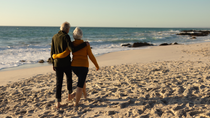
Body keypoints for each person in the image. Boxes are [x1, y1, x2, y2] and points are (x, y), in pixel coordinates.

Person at [53, 27, 99, 106]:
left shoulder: (71, 44)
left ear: (74, 35)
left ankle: (85, 95)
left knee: (82, 79)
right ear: (81, 35)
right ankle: (76, 103)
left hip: (74, 67)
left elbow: (65, 53)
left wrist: (55, 56)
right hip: (83, 67)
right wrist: (96, 65)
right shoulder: (86, 45)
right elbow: (91, 56)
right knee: (79, 86)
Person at [51, 22, 87, 108]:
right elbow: (72, 49)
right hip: (66, 63)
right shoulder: (66, 36)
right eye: (69, 29)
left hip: (57, 63)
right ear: (67, 29)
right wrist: (84, 44)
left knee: (58, 82)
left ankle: (58, 103)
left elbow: (52, 51)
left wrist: (53, 63)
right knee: (69, 79)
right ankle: (70, 96)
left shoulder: (54, 37)